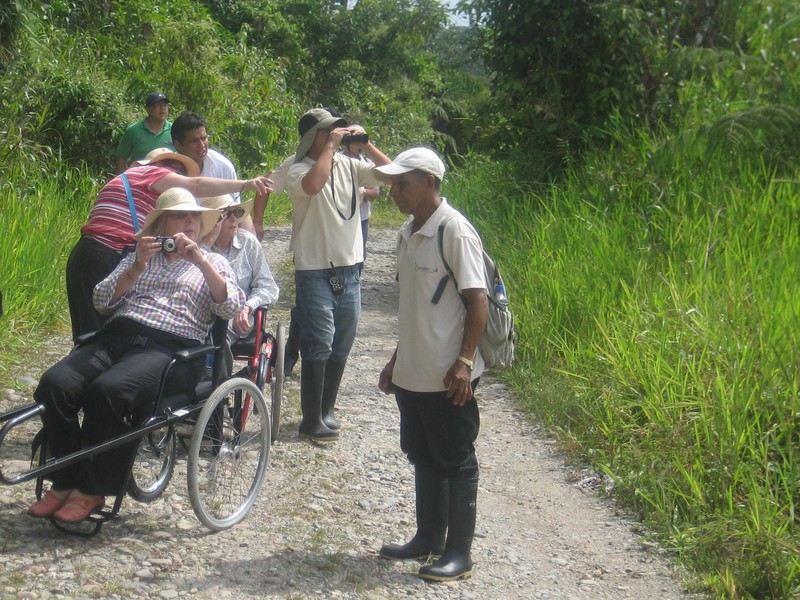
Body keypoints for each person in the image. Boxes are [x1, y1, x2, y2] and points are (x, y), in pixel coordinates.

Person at [27, 188, 245, 523]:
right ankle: (66, 477)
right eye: (179, 215)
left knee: (109, 391)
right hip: (118, 336)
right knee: (54, 384)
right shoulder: (139, 256)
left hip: (173, 347)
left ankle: (93, 488)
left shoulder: (214, 261)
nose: (189, 221)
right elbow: (101, 300)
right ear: (161, 225)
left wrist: (200, 261)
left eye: (194, 216)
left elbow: (230, 305)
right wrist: (137, 266)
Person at [375, 148, 488, 582]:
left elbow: (477, 301)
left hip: (447, 374)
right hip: (413, 371)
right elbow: (415, 307)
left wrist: (464, 363)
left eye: (402, 184)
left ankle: (459, 553)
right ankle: (428, 538)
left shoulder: (453, 230)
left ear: (428, 182)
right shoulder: (408, 232)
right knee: (422, 453)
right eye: (393, 184)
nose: (395, 192)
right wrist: (396, 360)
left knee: (455, 458)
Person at [67, 147, 272, 341]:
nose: (179, 176)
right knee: (101, 336)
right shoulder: (150, 173)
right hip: (110, 252)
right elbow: (196, 185)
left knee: (87, 335)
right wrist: (245, 184)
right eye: (176, 170)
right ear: (160, 166)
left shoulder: (124, 181)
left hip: (84, 252)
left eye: (182, 172)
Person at [287, 107, 391, 443]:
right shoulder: (298, 167)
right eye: (327, 131)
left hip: (350, 269)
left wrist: (367, 144)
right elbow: (314, 185)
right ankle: (311, 419)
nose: (336, 134)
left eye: (338, 130)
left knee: (342, 341)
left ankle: (326, 410)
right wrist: (331, 149)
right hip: (315, 268)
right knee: (319, 341)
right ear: (312, 137)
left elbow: (392, 175)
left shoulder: (350, 165)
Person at [199, 194, 279, 373]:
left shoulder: (248, 243)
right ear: (212, 219)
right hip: (201, 315)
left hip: (237, 316)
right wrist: (206, 244)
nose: (235, 219)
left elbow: (268, 286)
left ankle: (216, 387)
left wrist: (247, 307)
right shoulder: (197, 245)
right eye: (226, 214)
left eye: (237, 212)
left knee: (218, 333)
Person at [171, 112, 257, 235]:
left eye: (204, 138)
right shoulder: (168, 172)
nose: (202, 146)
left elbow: (236, 210)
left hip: (219, 235)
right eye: (194, 141)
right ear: (179, 145)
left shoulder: (223, 166)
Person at [340, 129, 381, 271]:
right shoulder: (337, 159)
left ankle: (356, 274)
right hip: (342, 214)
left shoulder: (368, 162)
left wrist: (361, 192)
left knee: (359, 252)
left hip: (362, 215)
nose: (357, 142)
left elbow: (375, 192)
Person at [114, 92, 175, 174]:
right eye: (157, 104)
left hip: (168, 180)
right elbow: (121, 157)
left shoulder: (175, 130)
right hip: (139, 180)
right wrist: (123, 181)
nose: (162, 108)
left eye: (165, 104)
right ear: (147, 109)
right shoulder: (133, 131)